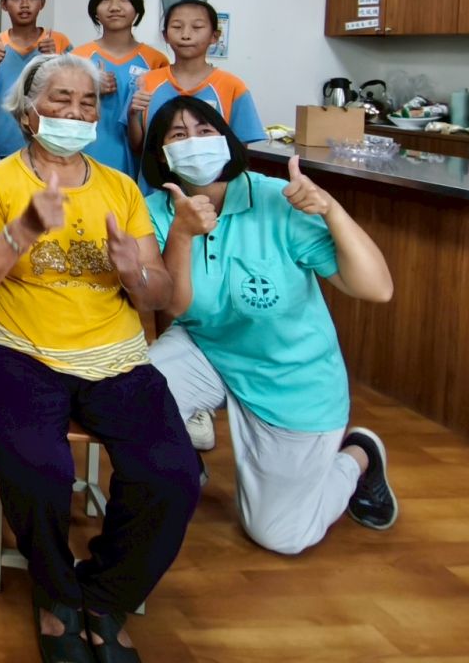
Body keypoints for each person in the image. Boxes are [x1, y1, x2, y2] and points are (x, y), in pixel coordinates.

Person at [0, 54, 199, 663]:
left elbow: (159, 294)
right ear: (29, 113)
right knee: (40, 470)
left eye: (87, 102)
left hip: (113, 352)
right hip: (15, 346)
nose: (76, 111)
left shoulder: (120, 188)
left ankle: (107, 595)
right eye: (61, 99)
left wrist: (135, 272)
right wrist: (23, 229)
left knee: (173, 473)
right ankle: (57, 596)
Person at [143, 98, 397, 553]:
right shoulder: (157, 210)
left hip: (290, 378)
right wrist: (181, 232)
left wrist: (331, 210)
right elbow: (175, 305)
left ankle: (359, 456)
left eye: (205, 131)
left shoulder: (277, 200)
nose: (194, 143)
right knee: (135, 390)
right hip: (209, 348)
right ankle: (183, 465)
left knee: (281, 536)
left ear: (226, 140)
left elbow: (376, 288)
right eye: (178, 135)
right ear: (162, 156)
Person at [126, 0, 265, 166]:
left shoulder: (233, 87)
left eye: (197, 27)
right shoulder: (146, 82)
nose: (186, 35)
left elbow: (239, 154)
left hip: (215, 183)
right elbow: (137, 147)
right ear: (165, 36)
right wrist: (132, 115)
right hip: (154, 182)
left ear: (214, 36)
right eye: (177, 27)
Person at [71, 0, 168, 177]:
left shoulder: (156, 61)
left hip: (139, 166)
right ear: (95, 9)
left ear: (137, 7)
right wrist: (89, 89)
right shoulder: (77, 57)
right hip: (85, 161)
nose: (114, 7)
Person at [0, 0, 72, 158]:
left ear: (42, 3)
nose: (25, 4)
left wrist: (55, 59)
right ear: (4, 4)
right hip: (0, 146)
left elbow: (71, 94)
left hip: (48, 145)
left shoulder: (59, 42)